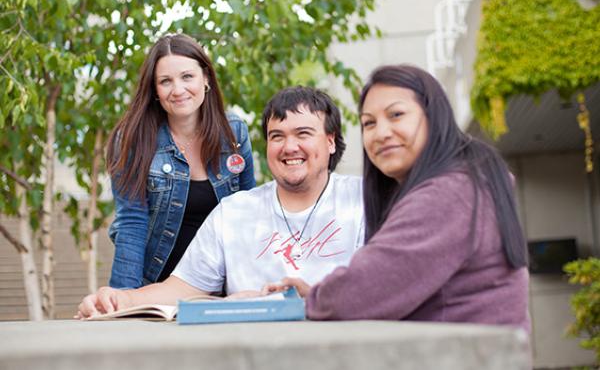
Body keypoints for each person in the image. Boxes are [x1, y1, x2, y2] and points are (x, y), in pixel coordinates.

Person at [268, 65, 530, 332]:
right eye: (369, 123)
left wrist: (318, 299)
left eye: (396, 115)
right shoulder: (468, 181)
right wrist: (317, 296)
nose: (381, 133)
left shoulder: (448, 195)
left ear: (433, 117)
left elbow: (364, 290)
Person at [77, 86, 364, 317]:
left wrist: (315, 298)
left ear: (330, 141)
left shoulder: (365, 201)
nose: (289, 147)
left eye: (303, 133)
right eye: (277, 136)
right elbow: (182, 288)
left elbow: (388, 288)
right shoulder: (234, 211)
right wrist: (119, 298)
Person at [106, 33, 256, 289]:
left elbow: (247, 214)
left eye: (187, 77)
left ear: (205, 78)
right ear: (154, 89)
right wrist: (125, 299)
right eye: (165, 81)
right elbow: (132, 222)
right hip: (156, 287)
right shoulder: (133, 138)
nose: (178, 90)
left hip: (222, 287)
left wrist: (251, 285)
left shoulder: (234, 134)